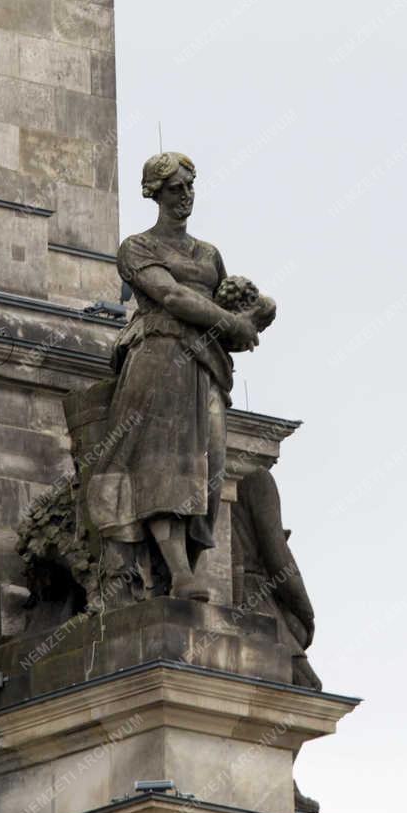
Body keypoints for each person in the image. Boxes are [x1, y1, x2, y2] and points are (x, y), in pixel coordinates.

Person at [86, 152, 263, 600]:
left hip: (206, 365)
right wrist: (231, 322)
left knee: (211, 464)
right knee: (163, 461)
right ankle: (180, 572)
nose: (185, 195)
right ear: (154, 193)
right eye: (174, 188)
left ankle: (185, 568)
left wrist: (256, 315)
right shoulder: (137, 247)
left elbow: (225, 309)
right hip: (160, 357)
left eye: (189, 186)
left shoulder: (209, 254)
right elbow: (172, 297)